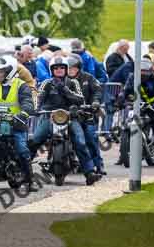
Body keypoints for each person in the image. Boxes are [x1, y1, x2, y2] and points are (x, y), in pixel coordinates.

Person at [28, 55, 101, 186]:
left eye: (62, 67)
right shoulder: (47, 83)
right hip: (49, 116)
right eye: (56, 68)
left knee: (80, 141)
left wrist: (65, 90)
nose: (59, 70)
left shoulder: (73, 83)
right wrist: (36, 108)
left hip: (70, 117)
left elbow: (81, 99)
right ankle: (25, 172)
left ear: (66, 69)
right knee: (35, 139)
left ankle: (89, 172)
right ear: (52, 70)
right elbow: (39, 97)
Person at [0, 55, 38, 192]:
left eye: (1, 71)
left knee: (22, 149)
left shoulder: (21, 86)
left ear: (10, 71)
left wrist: (22, 114)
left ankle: (30, 180)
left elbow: (28, 103)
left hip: (16, 125)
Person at [67, 54, 105, 175]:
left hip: (86, 113)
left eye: (73, 68)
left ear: (79, 68)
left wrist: (95, 102)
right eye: (68, 68)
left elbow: (97, 91)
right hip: (67, 115)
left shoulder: (88, 78)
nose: (70, 70)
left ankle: (98, 165)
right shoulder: (63, 80)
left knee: (90, 137)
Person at [118, 58, 154, 166]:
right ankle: (123, 153)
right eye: (141, 71)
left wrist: (153, 106)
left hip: (151, 107)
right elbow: (126, 90)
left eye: (145, 71)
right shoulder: (132, 77)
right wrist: (121, 98)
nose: (143, 73)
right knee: (126, 122)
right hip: (136, 106)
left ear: (150, 71)